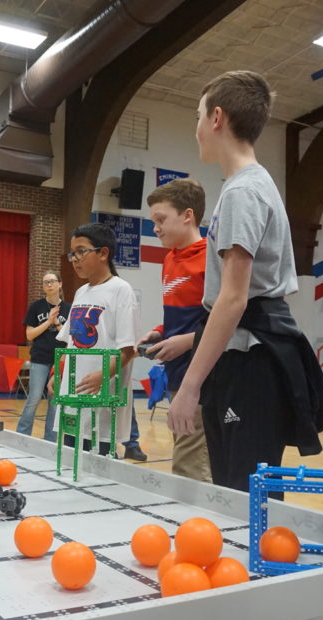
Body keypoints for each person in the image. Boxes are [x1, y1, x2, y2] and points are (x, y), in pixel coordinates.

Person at [167, 70, 323, 493]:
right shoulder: (249, 186)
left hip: (251, 361)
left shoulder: (242, 193)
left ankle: (253, 561)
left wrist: (189, 387)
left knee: (243, 495)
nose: (197, 127)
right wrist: (190, 342)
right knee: (237, 491)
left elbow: (235, 300)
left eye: (199, 116)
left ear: (217, 118)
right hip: (248, 351)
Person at [138, 178, 212, 482]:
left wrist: (188, 342)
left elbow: (229, 322)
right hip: (176, 374)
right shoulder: (168, 259)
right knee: (188, 455)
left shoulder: (213, 257)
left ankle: (199, 528)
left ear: (188, 215)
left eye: (161, 219)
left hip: (204, 376)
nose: (155, 228)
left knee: (189, 467)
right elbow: (181, 318)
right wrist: (160, 332)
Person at [54, 222, 143, 460]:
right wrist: (57, 372)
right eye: (72, 253)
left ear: (103, 253)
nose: (74, 259)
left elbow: (129, 349)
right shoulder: (81, 292)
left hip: (102, 398)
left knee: (98, 461)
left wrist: (102, 375)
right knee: (70, 457)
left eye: (81, 251)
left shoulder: (121, 290)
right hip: (74, 394)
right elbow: (70, 343)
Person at [16, 272, 70, 441]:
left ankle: (50, 441)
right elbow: (29, 335)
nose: (49, 285)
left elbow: (71, 338)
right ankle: (22, 437)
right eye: (46, 282)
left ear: (60, 284)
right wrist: (48, 321)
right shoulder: (36, 307)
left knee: (55, 403)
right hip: (39, 359)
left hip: (59, 360)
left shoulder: (69, 309)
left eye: (52, 281)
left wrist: (57, 323)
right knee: (33, 398)